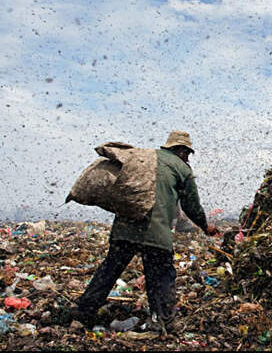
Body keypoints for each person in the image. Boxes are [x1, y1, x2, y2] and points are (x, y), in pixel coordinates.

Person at [71, 131, 218, 332]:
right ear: (182, 151)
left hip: (125, 228)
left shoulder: (145, 158)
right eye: (188, 153)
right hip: (154, 232)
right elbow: (191, 205)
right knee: (161, 275)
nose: (188, 158)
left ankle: (83, 313)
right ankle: (163, 320)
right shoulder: (181, 168)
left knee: (109, 270)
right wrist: (205, 226)